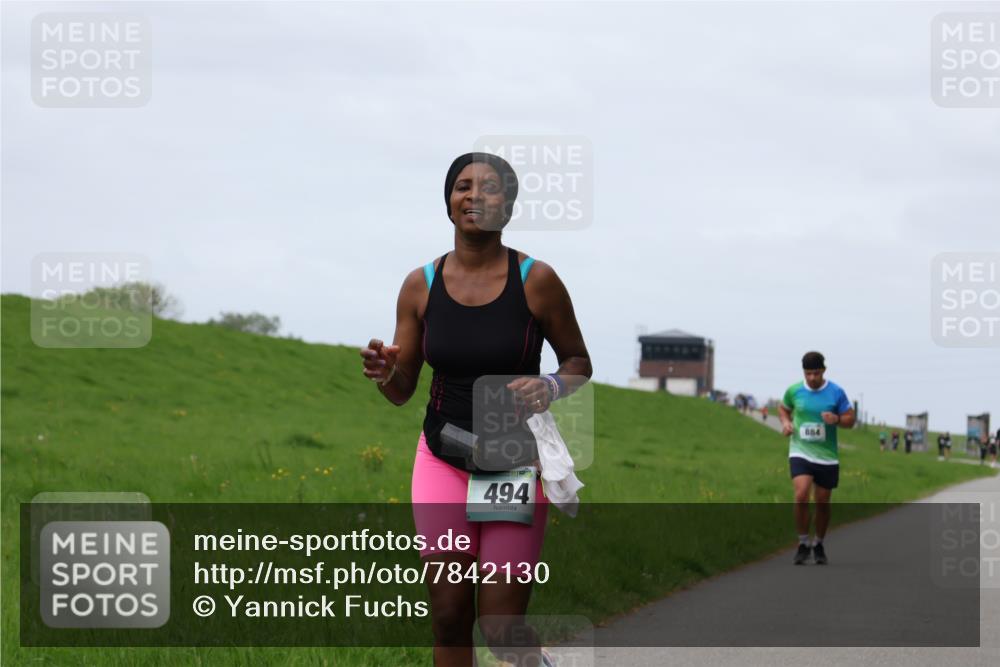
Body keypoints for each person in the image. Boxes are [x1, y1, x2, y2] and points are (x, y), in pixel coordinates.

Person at [361, 152, 592, 666]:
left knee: (500, 627)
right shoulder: (419, 284)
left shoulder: (536, 279)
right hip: (442, 457)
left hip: (511, 461)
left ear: (507, 208)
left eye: (490, 188)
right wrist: (385, 374)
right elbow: (403, 390)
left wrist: (551, 385)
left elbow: (579, 361)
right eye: (463, 186)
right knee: (448, 616)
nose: (475, 195)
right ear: (449, 204)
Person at [779, 351, 855, 565]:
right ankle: (803, 543)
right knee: (801, 494)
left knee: (822, 501)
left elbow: (850, 420)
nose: (812, 378)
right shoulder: (794, 390)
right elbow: (783, 408)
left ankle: (818, 543)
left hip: (827, 455)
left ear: (823, 371)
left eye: (816, 373)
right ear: (803, 372)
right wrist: (785, 423)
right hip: (800, 450)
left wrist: (837, 419)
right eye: (808, 373)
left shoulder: (836, 392)